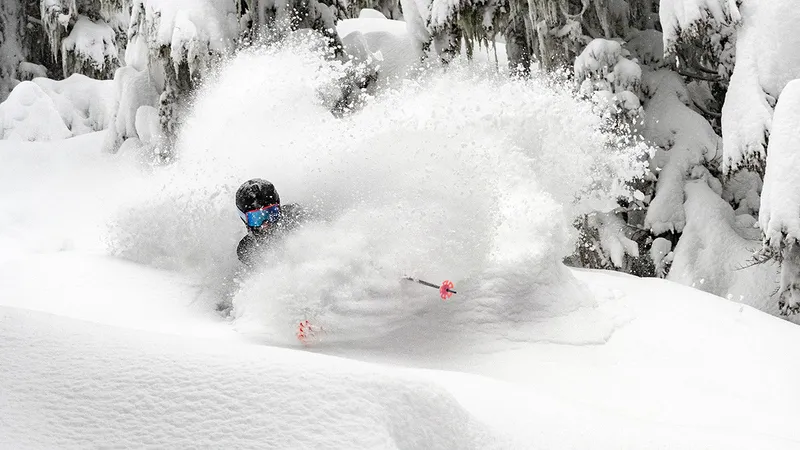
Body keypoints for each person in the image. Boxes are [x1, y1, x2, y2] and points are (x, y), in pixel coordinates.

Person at [235, 178, 305, 267]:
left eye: (271, 213)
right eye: (257, 218)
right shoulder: (247, 250)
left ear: (279, 209)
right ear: (245, 220)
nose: (265, 224)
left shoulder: (297, 218)